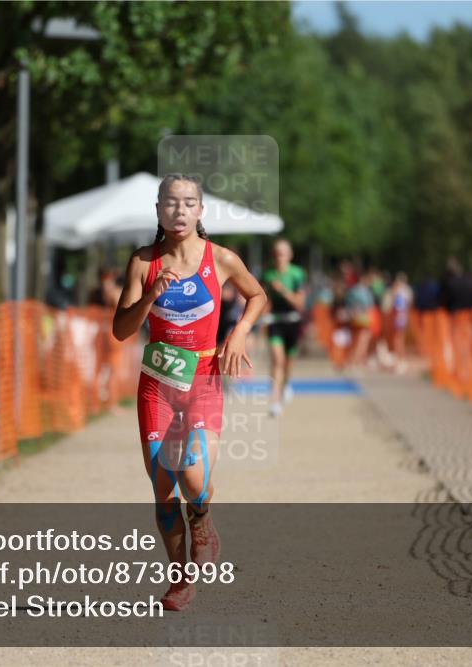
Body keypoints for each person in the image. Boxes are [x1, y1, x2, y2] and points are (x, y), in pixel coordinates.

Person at [112, 174, 266, 612]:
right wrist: (147, 300)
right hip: (157, 385)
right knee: (163, 487)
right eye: (170, 203)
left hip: (203, 379)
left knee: (194, 478)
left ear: (200, 211)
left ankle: (202, 519)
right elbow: (121, 330)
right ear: (158, 209)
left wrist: (237, 336)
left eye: (188, 203)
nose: (179, 211)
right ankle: (180, 580)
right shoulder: (144, 263)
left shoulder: (220, 259)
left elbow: (257, 296)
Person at [261, 238, 307, 417]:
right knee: (277, 360)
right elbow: (264, 299)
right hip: (275, 322)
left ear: (290, 255)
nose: (280, 257)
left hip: (293, 321)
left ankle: (286, 384)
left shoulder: (297, 274)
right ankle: (275, 400)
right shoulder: (268, 274)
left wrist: (283, 291)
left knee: (288, 363)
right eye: (277, 253)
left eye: (283, 253)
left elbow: (300, 303)